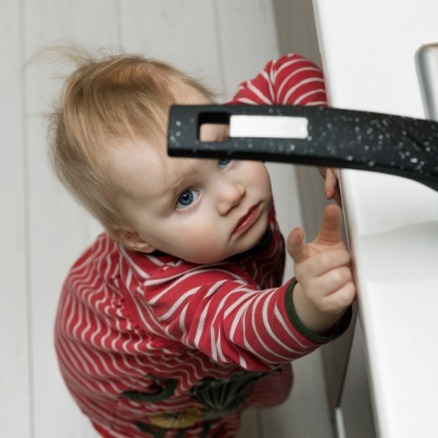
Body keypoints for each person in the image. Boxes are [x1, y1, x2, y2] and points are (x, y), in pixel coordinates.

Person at [49, 48, 355, 437]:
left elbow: (285, 74)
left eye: (224, 155)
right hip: (130, 373)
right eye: (186, 198)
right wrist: (309, 304)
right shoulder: (171, 291)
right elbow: (245, 328)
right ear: (137, 237)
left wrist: (323, 136)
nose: (231, 194)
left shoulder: (201, 133)